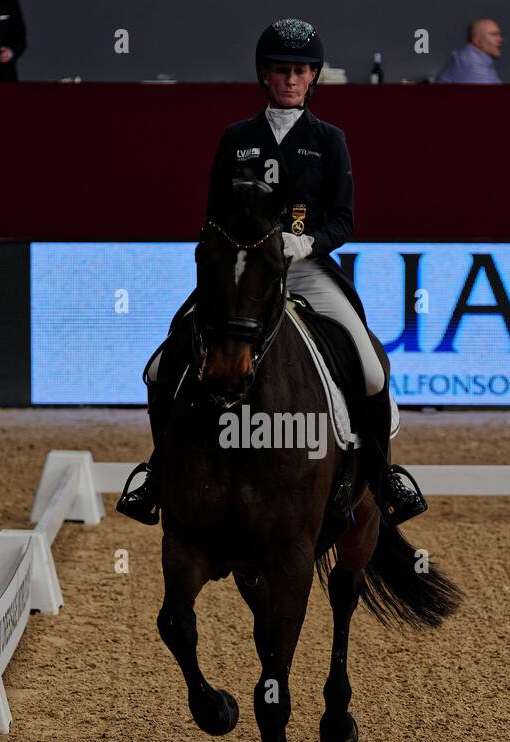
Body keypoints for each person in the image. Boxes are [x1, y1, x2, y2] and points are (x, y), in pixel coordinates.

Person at [117, 18, 428, 528]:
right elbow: (212, 217)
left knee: (370, 368)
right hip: (244, 276)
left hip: (304, 269)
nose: (290, 79)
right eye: (281, 70)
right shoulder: (236, 138)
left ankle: (382, 475)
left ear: (313, 77)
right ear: (265, 75)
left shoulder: (330, 140)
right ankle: (159, 471)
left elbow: (345, 219)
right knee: (160, 365)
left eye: (300, 71)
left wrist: (307, 243)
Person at [436, 19, 505, 83]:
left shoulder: (481, 59)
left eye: (499, 35)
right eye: (494, 34)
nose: (500, 39)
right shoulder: (471, 62)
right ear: (477, 41)